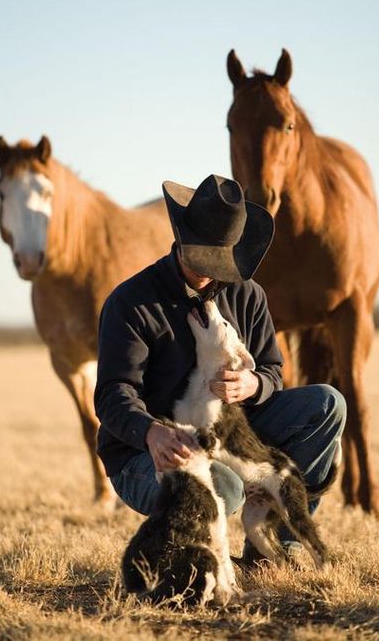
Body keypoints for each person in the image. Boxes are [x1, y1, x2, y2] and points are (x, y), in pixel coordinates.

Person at [94, 174, 346, 562]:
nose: (210, 269)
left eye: (220, 258)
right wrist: (151, 432)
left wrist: (253, 384)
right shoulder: (131, 302)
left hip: (229, 435)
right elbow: (112, 394)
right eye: (201, 255)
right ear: (180, 236)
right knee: (225, 488)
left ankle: (272, 551)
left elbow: (273, 372)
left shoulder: (248, 293)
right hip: (144, 452)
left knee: (328, 404)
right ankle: (180, 564)